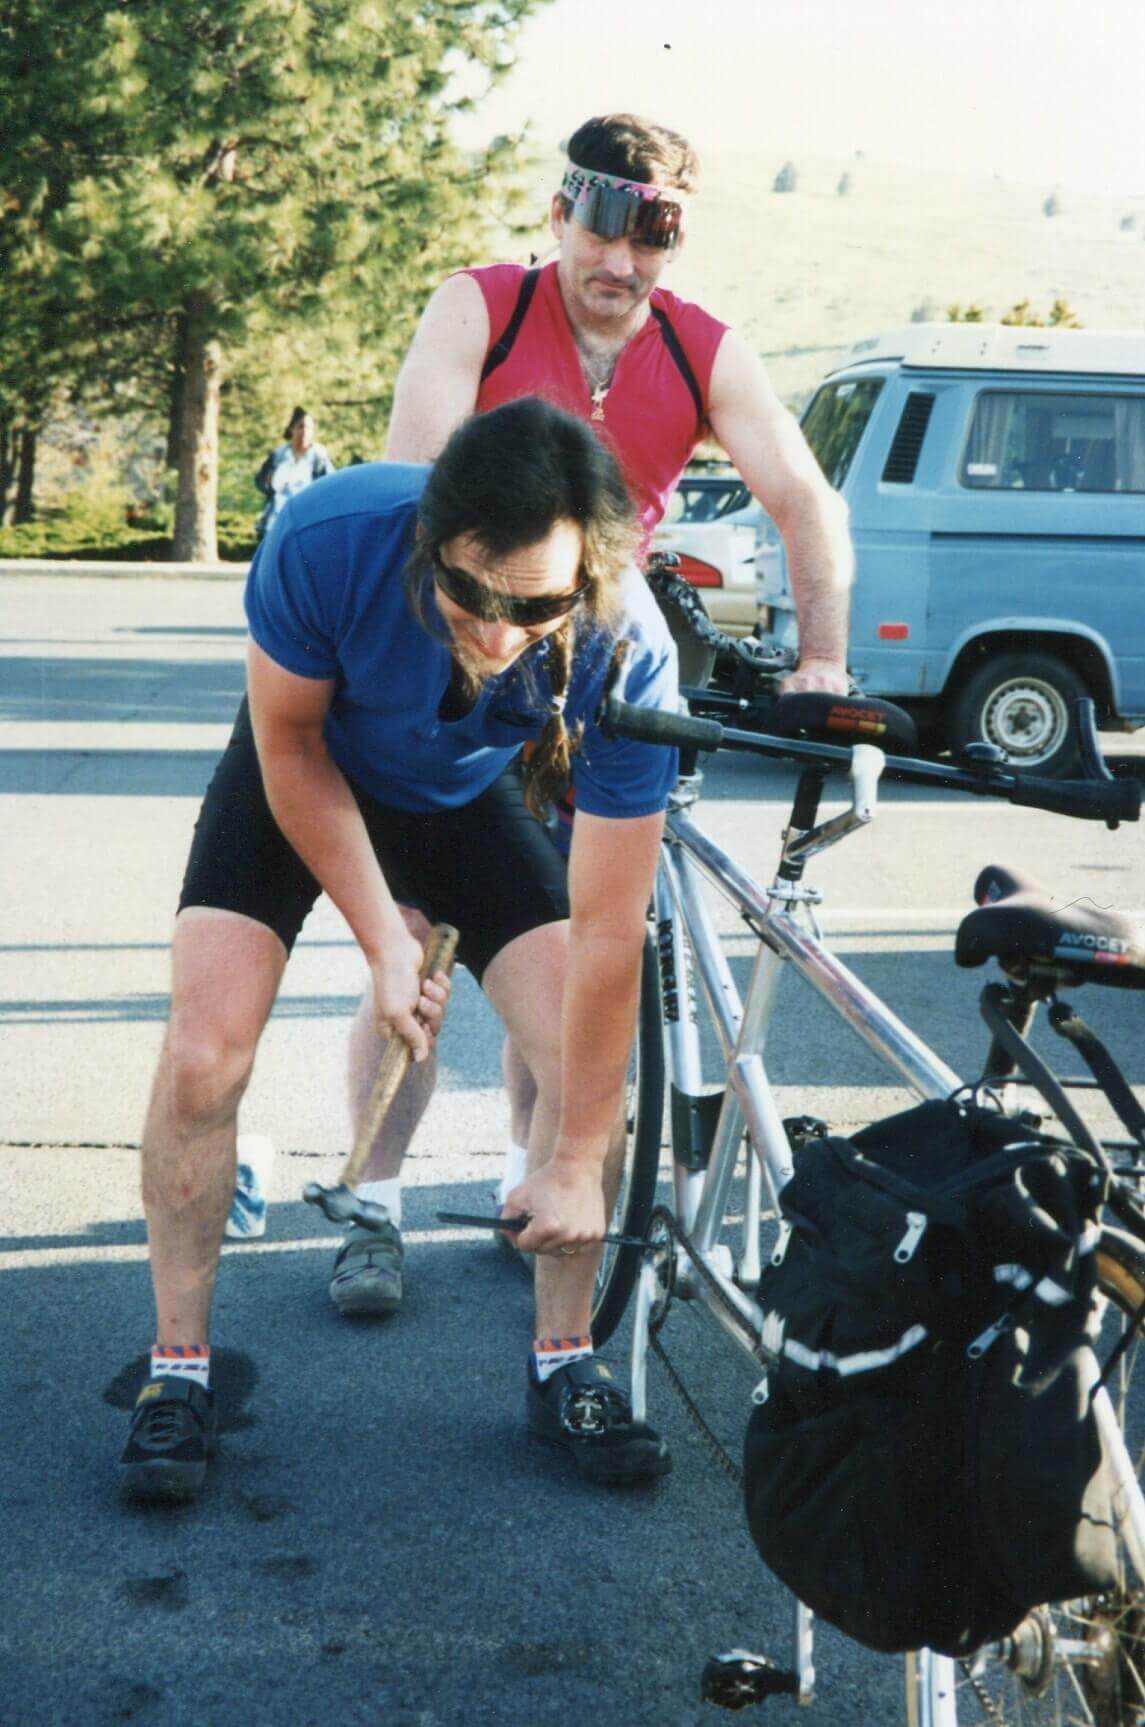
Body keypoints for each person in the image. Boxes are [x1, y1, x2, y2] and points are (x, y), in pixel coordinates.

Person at [327, 112, 854, 1296]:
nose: (620, 260)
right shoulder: (484, 306)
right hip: (460, 657)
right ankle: (371, 1202)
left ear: (674, 239)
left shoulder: (702, 347)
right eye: (601, 224)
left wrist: (820, 661)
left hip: (594, 683)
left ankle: (536, 1185)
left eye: (653, 232)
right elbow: (415, 476)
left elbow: (804, 500)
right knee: (413, 946)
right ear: (557, 215)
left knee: (565, 958)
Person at [120, 398, 679, 1503]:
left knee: (583, 1059)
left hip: (460, 799)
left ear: (587, 579)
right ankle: (176, 1369)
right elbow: (283, 739)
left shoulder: (626, 648)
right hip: (308, 767)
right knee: (203, 1054)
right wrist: (384, 936)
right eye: (468, 592)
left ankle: (563, 1359)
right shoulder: (328, 536)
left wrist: (569, 1158)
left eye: (535, 607)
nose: (495, 632)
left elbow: (613, 926)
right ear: (428, 536)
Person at [254, 407, 336, 538]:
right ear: (291, 428)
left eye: (309, 428)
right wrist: (268, 485)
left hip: (305, 524)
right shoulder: (278, 455)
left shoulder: (319, 458)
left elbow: (331, 488)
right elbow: (260, 480)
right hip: (274, 524)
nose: (304, 432)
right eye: (300, 426)